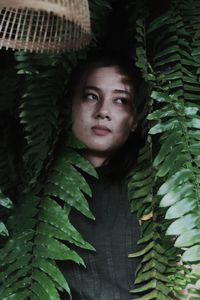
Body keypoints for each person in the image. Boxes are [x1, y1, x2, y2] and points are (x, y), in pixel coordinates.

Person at [59, 55, 143, 300]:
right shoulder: (31, 190)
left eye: (120, 100)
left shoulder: (157, 193)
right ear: (70, 103)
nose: (103, 111)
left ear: (134, 120)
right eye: (91, 96)